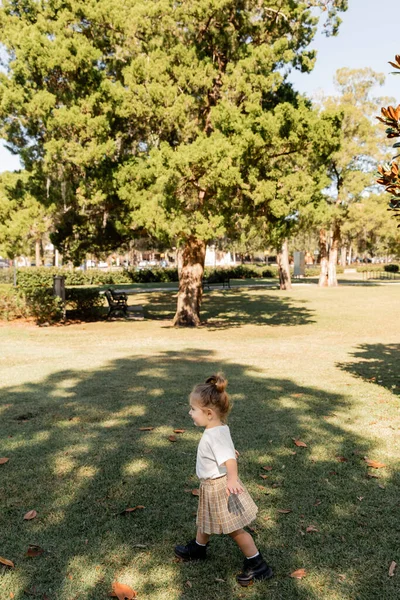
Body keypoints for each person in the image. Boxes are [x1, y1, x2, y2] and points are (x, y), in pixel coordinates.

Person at [174, 374, 273, 587]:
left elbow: (228, 459)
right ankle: (199, 548)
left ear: (209, 413)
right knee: (205, 518)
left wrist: (232, 480)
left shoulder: (213, 435)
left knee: (234, 530)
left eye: (193, 409)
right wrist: (229, 454)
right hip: (211, 487)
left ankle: (258, 564)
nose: (189, 412)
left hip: (220, 488)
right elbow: (226, 450)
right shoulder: (218, 428)